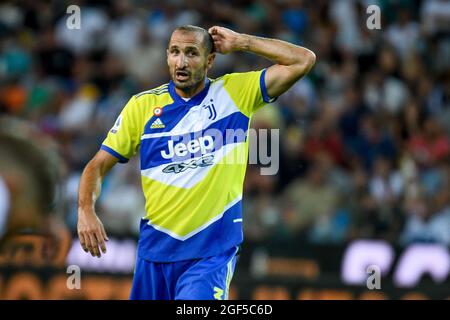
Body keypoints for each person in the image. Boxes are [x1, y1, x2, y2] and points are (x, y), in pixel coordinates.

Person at [77, 25, 315, 300]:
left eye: (192, 53)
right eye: (175, 52)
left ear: (210, 60)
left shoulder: (235, 93)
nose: (182, 62)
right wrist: (85, 210)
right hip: (155, 251)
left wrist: (242, 42)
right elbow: (97, 165)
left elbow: (303, 59)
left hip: (210, 252)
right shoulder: (141, 107)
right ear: (167, 56)